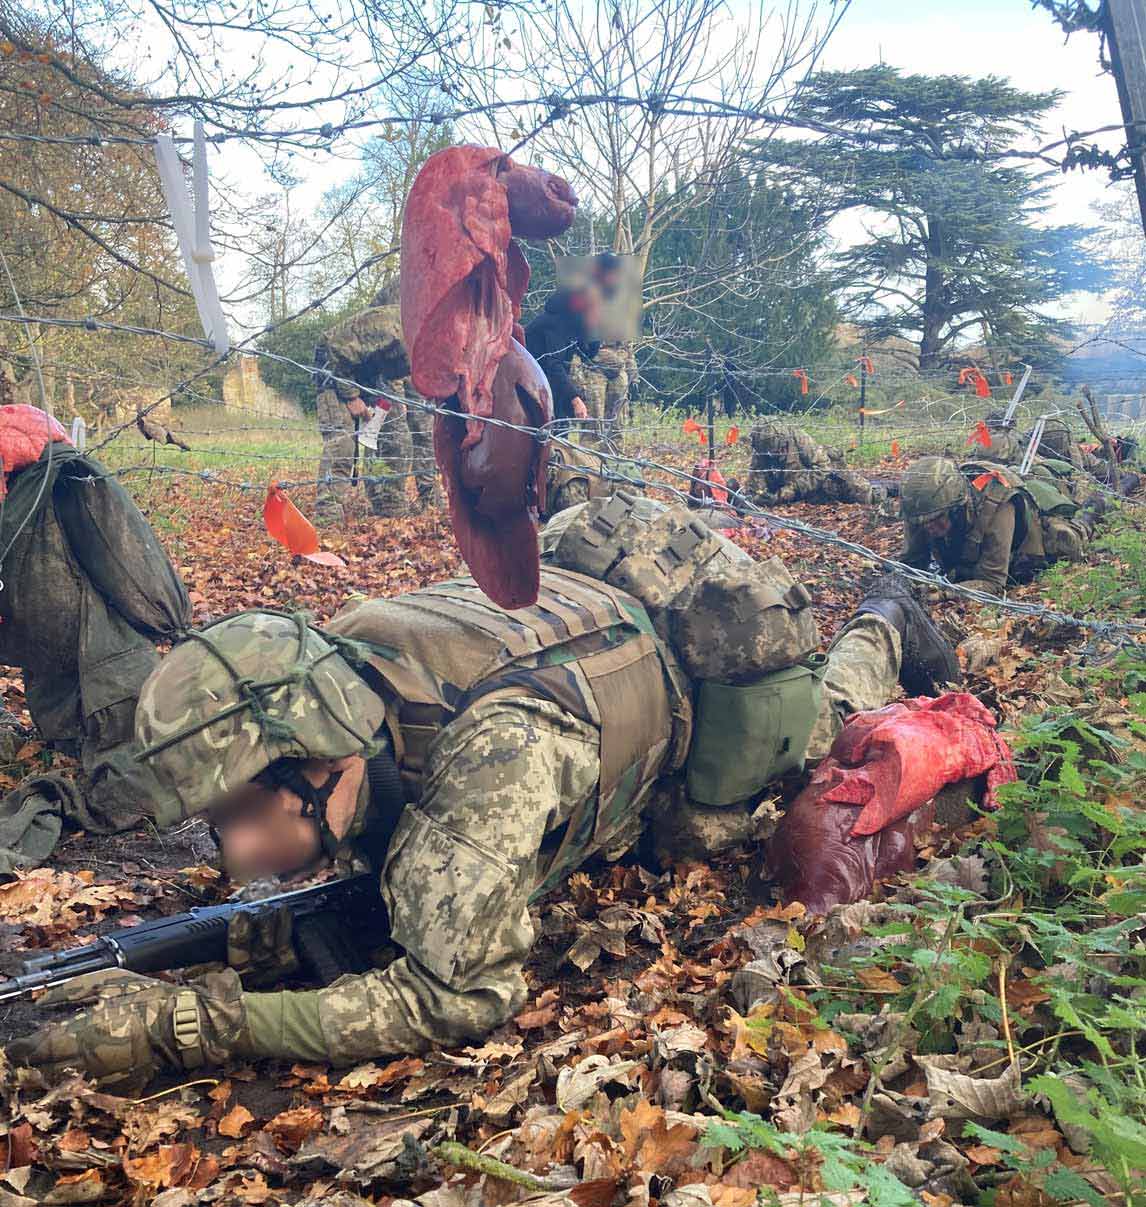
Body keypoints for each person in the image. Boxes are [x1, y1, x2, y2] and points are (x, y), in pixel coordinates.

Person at [6, 496, 959, 1088]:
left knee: (808, 735)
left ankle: (882, 612)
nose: (236, 855)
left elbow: (458, 995)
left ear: (328, 761)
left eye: (248, 815)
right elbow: (389, 866)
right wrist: (228, 944)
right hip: (590, 641)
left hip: (694, 708)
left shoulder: (485, 765)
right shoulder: (336, 669)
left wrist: (194, 1024)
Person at [0, 405, 190, 871]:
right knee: (147, 768)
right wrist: (172, 624)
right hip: (104, 663)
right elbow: (129, 564)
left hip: (42, 662)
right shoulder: (73, 478)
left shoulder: (16, 495)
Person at [313, 282, 437, 523]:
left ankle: (389, 505)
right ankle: (327, 517)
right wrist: (351, 395)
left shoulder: (430, 342)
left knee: (394, 438)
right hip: (334, 368)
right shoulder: (393, 326)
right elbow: (335, 350)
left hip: (371, 377)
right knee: (342, 444)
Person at [899, 455, 1105, 595]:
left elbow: (993, 580)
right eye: (921, 523)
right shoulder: (921, 509)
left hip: (1036, 538)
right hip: (971, 556)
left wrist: (945, 593)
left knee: (1070, 537)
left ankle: (1100, 500)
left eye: (937, 520)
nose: (928, 528)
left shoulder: (997, 505)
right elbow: (910, 564)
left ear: (956, 508)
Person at [566, 253, 639, 437]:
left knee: (616, 428)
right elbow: (573, 343)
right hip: (593, 371)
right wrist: (577, 380)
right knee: (593, 429)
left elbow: (627, 342)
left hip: (618, 372)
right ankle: (590, 466)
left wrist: (632, 373)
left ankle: (615, 464)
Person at [747, 418, 875, 505]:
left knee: (861, 493)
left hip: (816, 483)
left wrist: (788, 491)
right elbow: (755, 480)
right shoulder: (761, 447)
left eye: (775, 449)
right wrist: (762, 497)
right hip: (791, 488)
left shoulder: (800, 439)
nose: (772, 454)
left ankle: (885, 489)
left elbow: (823, 468)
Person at [523, 282, 598, 423]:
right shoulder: (554, 322)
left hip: (551, 385)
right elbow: (554, 365)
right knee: (554, 431)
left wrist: (593, 331)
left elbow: (587, 355)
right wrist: (575, 399)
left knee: (561, 428)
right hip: (533, 387)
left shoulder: (574, 321)